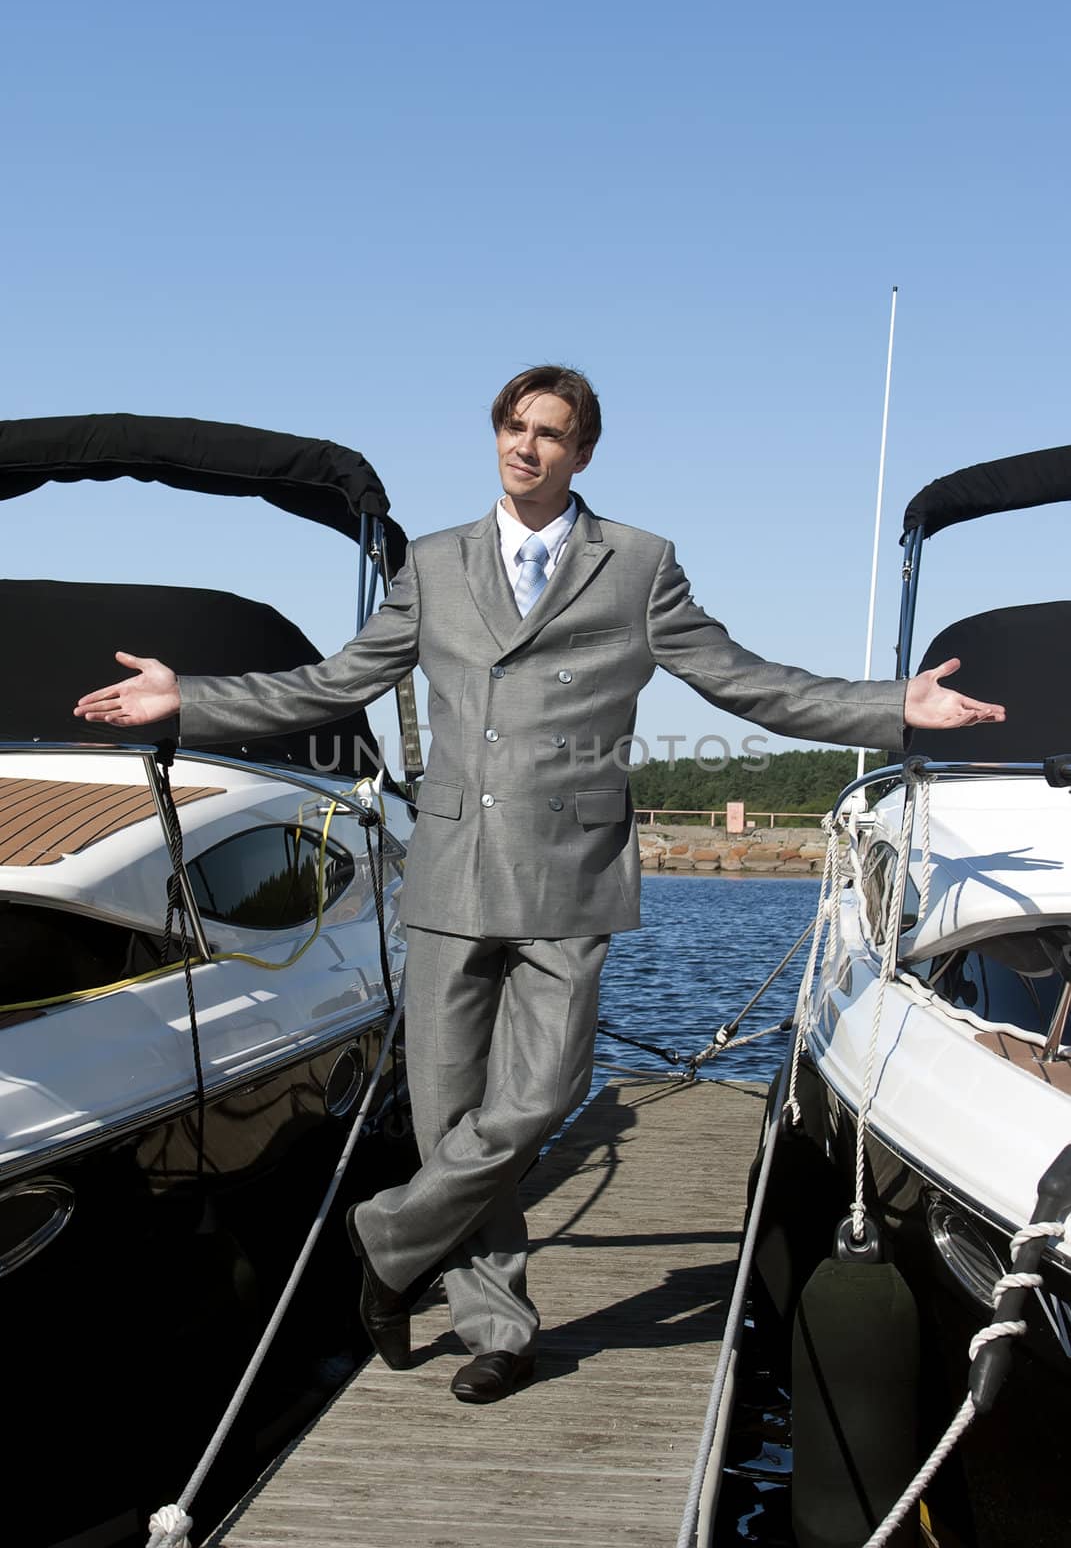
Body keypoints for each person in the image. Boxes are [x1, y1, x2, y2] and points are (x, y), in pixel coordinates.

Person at [74, 365, 1004, 1404]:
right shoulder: (434, 565)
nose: (527, 447)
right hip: (452, 868)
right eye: (514, 427)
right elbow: (332, 684)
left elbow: (748, 682)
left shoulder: (640, 567)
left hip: (571, 870)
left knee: (544, 1095)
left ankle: (386, 1237)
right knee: (448, 1114)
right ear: (498, 437)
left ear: (583, 452)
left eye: (551, 433)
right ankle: (496, 1326)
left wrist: (893, 709)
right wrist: (187, 698)